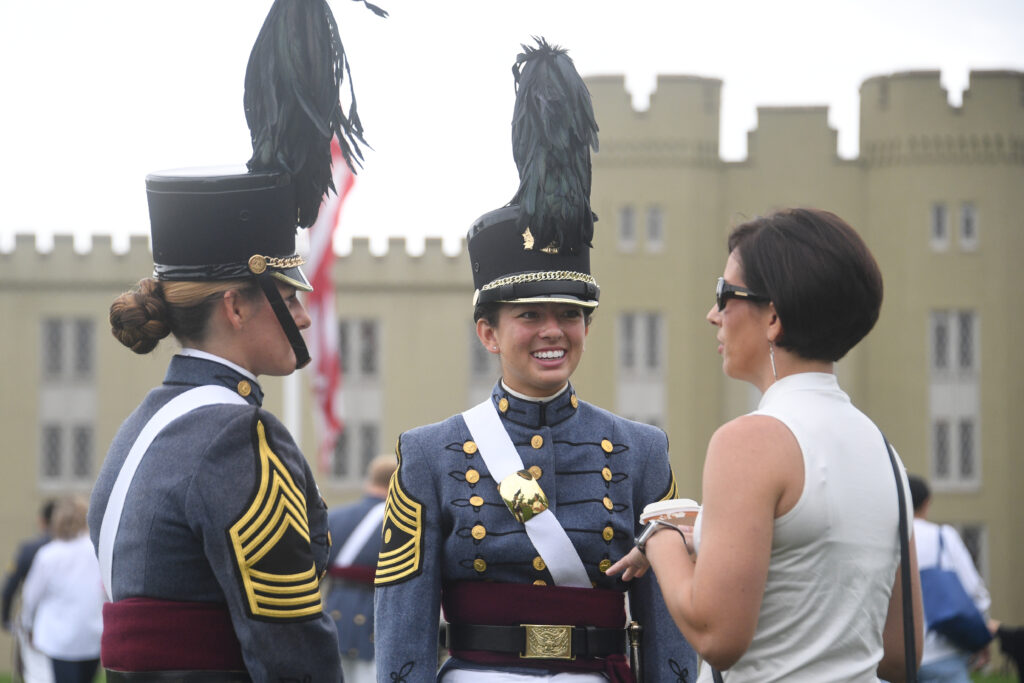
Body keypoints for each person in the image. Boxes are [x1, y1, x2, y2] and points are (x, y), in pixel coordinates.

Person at [373, 39, 696, 683]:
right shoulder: (430, 453)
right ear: (488, 333)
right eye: (529, 316)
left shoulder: (643, 451)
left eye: (570, 315)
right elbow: (403, 627)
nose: (553, 331)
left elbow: (665, 625)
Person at [87, 0, 383, 679]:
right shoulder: (235, 435)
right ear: (237, 305)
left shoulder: (140, 427)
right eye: (288, 297)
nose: (304, 317)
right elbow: (290, 643)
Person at [609, 208, 924, 682]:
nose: (713, 314)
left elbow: (717, 636)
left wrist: (661, 536)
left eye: (725, 294)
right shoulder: (883, 452)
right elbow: (904, 651)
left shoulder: (750, 441)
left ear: (773, 315)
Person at [909, 474, 992, 681]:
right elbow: (975, 591)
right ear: (927, 503)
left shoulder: (889, 538)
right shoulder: (943, 537)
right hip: (943, 654)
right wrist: (980, 638)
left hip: (897, 659)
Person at [327, 454, 398, 683]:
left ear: (370, 481)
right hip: (376, 621)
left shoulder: (334, 517)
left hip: (332, 617)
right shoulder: (399, 523)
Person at [20, 496, 104, 683]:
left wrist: (27, 624)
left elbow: (31, 596)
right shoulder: (96, 551)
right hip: (92, 634)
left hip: (59, 638)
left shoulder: (48, 555)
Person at [3, 499, 55, 683]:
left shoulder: (30, 550)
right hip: (69, 623)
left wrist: (6, 619)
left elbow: (9, 588)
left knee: (35, 673)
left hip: (36, 621)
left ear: (42, 521)